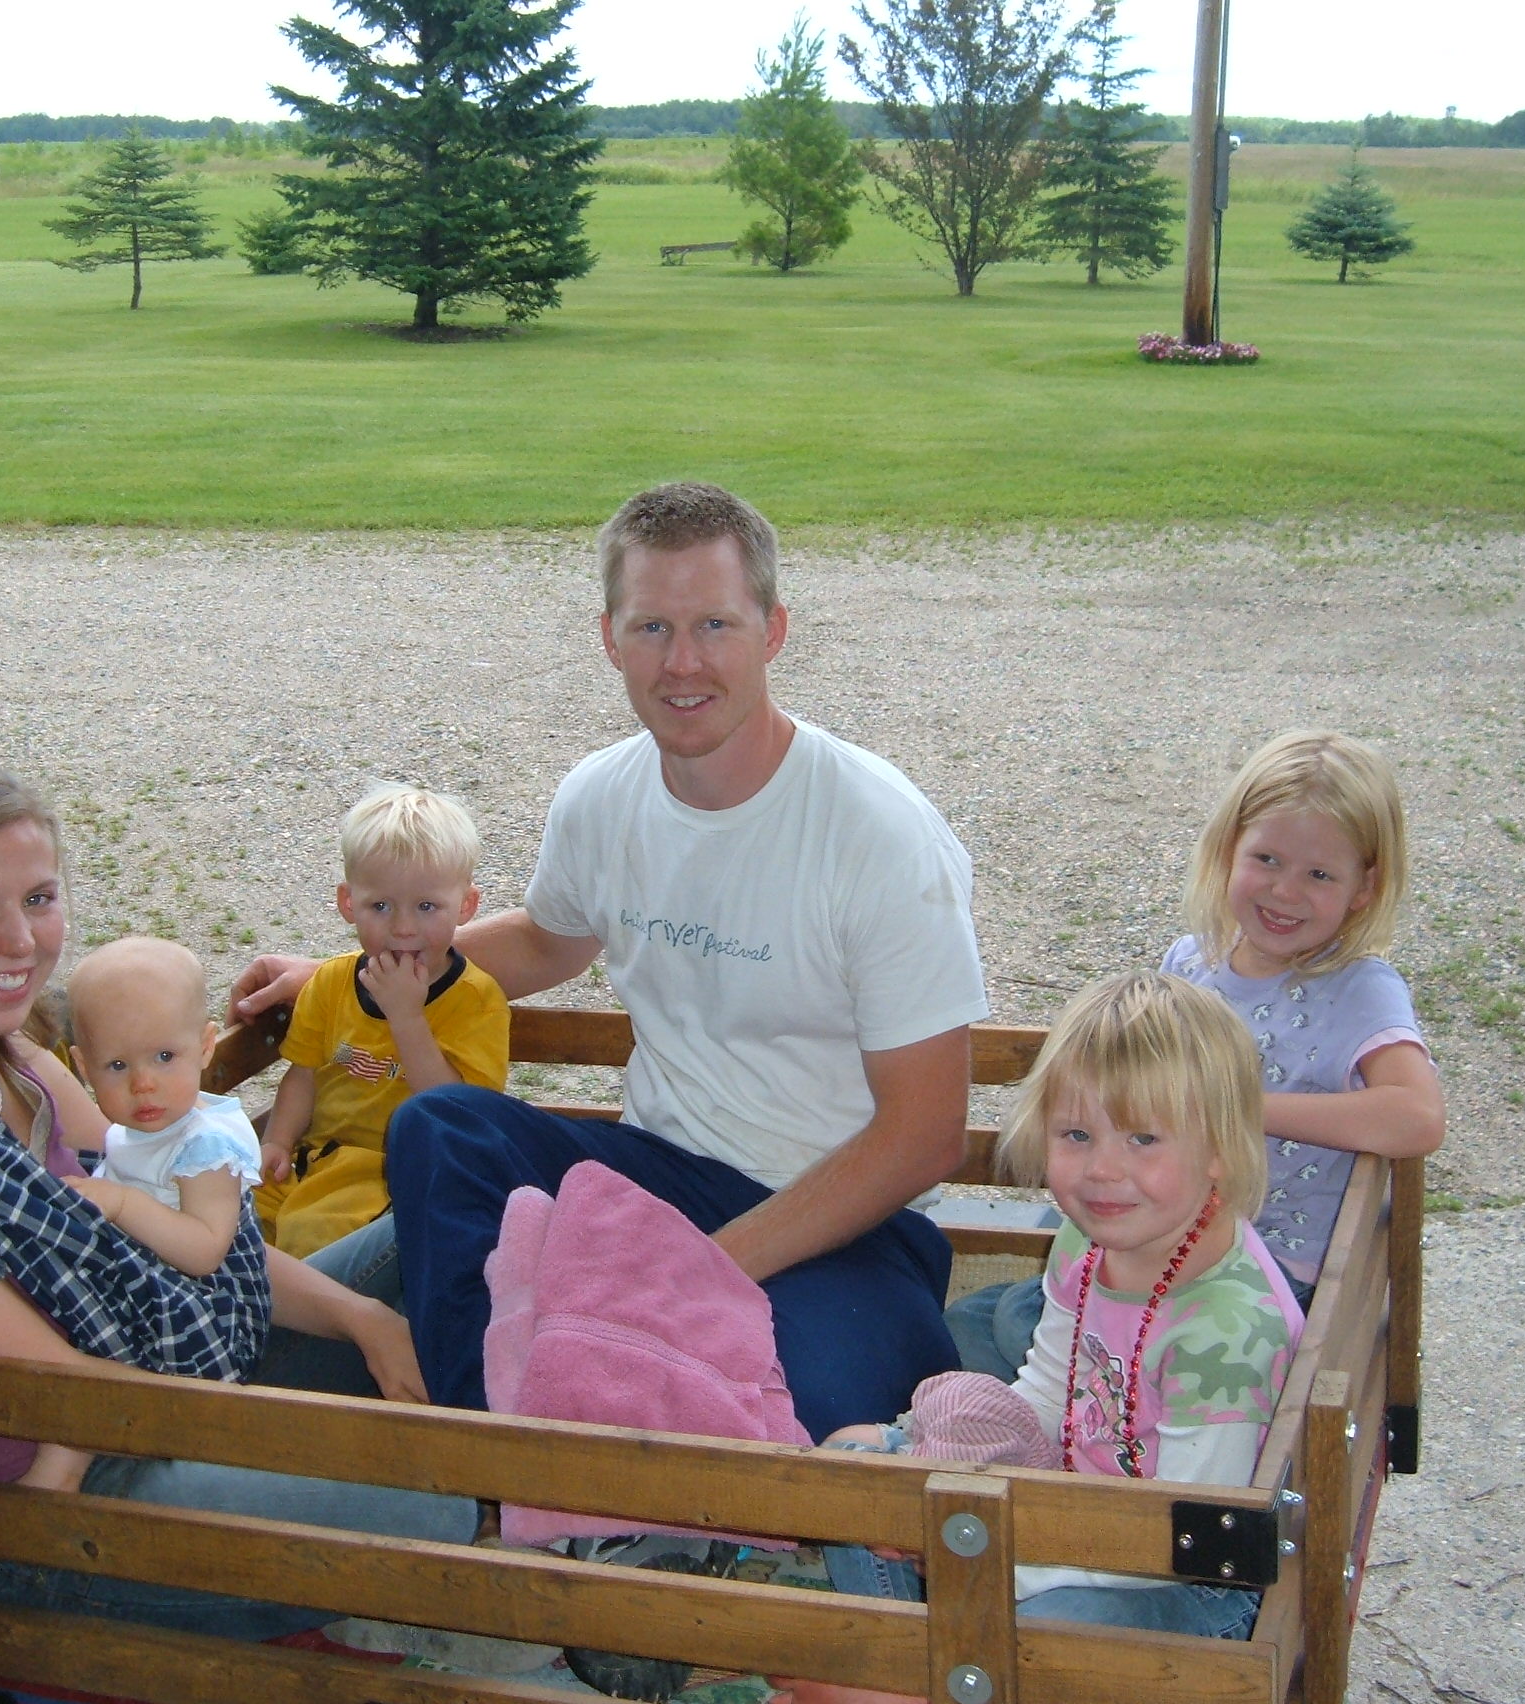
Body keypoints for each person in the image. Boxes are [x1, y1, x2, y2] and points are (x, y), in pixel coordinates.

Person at [234, 482, 991, 1443]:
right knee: (442, 1128)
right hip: (651, 1176)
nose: (682, 663)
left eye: (715, 623)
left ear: (774, 630)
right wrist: (356, 976)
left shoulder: (876, 832)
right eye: (651, 628)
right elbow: (550, 940)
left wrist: (701, 1266)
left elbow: (924, 1135)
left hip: (842, 1224)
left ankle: (589, 1413)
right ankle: (495, 1435)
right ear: (608, 637)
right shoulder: (603, 795)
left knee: (820, 1404)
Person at [0, 755, 471, 1643]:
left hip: (161, 1362)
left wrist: (360, 1321)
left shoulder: (25, 1066)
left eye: (38, 899)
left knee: (427, 1260)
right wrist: (303, 1437)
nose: (20, 942)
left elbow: (188, 1230)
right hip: (48, 1501)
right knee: (440, 1508)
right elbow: (78, 1397)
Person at [772, 972, 1307, 1702]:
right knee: (857, 1461)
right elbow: (1049, 1390)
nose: (1102, 1170)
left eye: (1143, 1138)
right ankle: (909, 1643)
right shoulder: (1090, 1239)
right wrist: (963, 1467)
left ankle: (920, 1665)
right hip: (1071, 1508)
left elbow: (1184, 1545)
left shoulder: (1226, 1335)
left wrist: (994, 1558)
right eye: (1077, 1135)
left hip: (1186, 1586)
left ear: (1217, 1148)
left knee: (1058, 1626)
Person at [949, 730, 1444, 1381]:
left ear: (1363, 887)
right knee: (978, 1318)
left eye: (1319, 874)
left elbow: (1417, 1118)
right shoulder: (1191, 966)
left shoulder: (1357, 988)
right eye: (1266, 859)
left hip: (1264, 1282)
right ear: (1229, 848)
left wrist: (1241, 1108)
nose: (1285, 892)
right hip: (1160, 1242)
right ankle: (1054, 1419)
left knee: (1025, 1327)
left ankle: (1083, 1426)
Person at [254, 784, 509, 1257]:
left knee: (315, 1234)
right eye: (381, 906)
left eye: (426, 906)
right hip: (318, 1162)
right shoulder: (331, 982)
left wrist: (406, 1016)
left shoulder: (476, 1000)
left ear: (466, 906)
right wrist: (277, 1140)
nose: (404, 927)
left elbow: (455, 1110)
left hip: (395, 1171)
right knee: (224, 1211)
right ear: (349, 902)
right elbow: (304, 1075)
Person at [65, 935, 266, 1278]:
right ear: (84, 1068)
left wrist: (121, 1203)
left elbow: (205, 1251)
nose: (142, 1084)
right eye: (117, 1066)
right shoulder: (139, 1129)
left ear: (204, 1047)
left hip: (203, 1309)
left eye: (164, 1057)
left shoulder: (205, 1149)